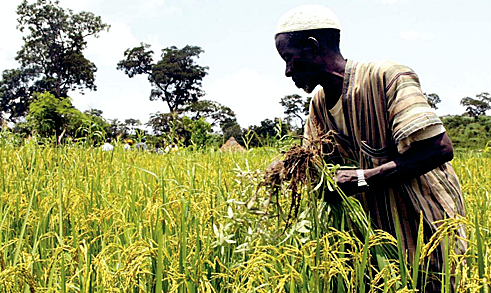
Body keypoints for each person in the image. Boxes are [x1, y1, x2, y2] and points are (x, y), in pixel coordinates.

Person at [274, 5, 465, 292]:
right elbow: (318, 164)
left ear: (313, 47)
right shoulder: (318, 107)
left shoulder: (388, 77)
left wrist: (363, 178)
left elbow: (438, 148)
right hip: (375, 249)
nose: (288, 71)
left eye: (289, 59)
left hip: (427, 236)